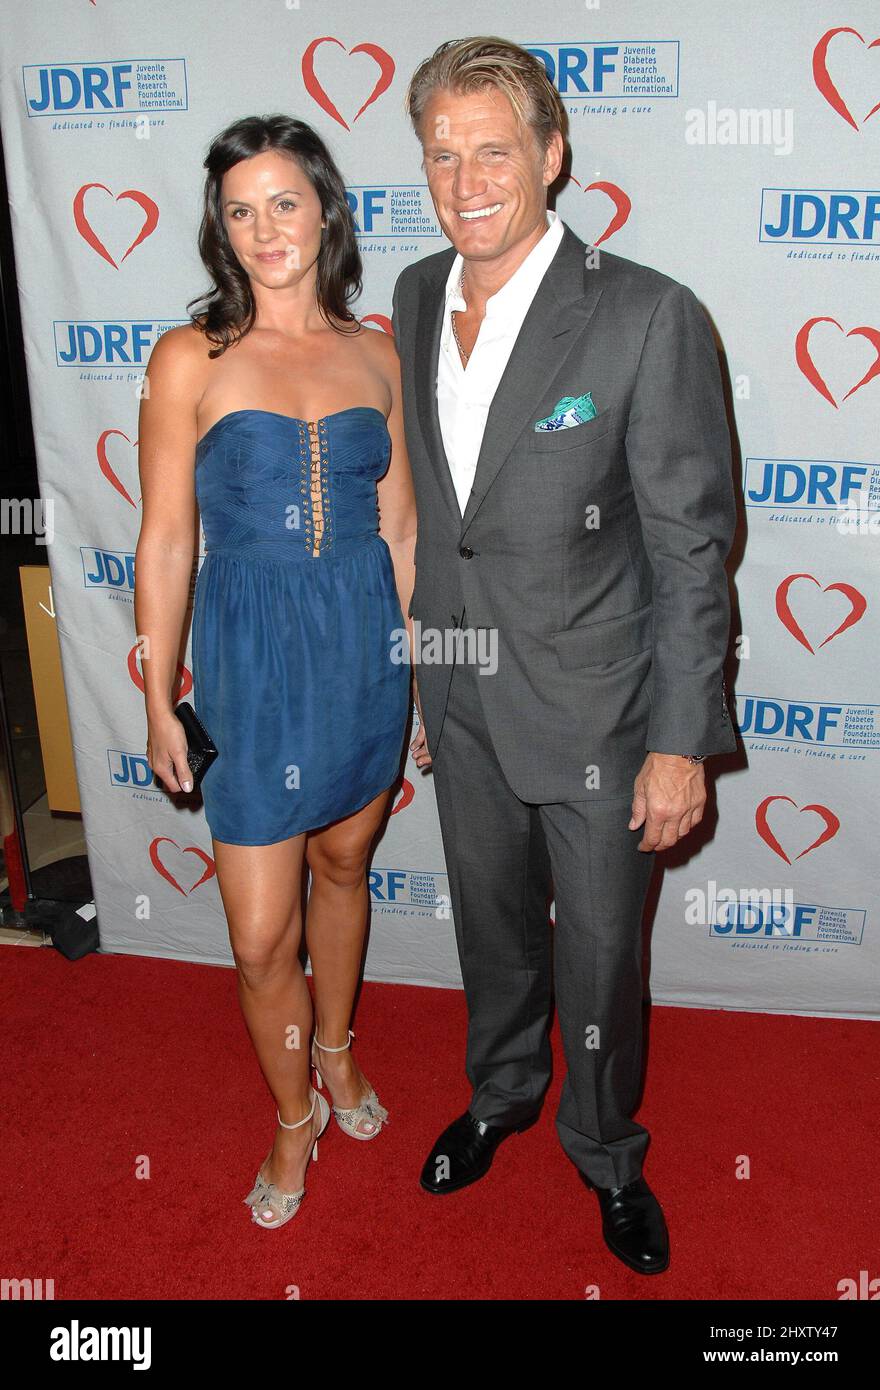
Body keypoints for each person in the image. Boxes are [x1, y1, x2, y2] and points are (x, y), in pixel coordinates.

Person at [392, 38, 737, 1275]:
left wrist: (678, 742)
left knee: (598, 952)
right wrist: (428, 671)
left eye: (494, 150)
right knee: (493, 928)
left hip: (602, 711)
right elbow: (448, 517)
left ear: (551, 155)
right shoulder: (418, 293)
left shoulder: (647, 313)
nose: (466, 178)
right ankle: (500, 1094)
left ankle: (602, 1148)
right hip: (466, 689)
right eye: (442, 153)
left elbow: (696, 553)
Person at [134, 114, 417, 1229]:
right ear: (221, 228)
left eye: (284, 203)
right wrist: (157, 692)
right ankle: (292, 1115)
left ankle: (338, 1053)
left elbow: (400, 532)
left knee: (345, 870)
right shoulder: (187, 357)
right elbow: (166, 540)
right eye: (240, 211)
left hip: (363, 651)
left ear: (326, 210)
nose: (264, 229)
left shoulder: (377, 350)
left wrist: (423, 670)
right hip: (249, 664)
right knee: (260, 933)